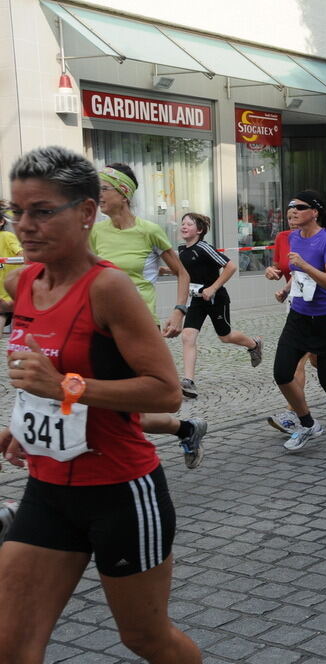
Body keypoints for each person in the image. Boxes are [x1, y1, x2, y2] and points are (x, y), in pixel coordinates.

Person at [0, 145, 200, 663]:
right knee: (11, 644)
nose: (25, 225)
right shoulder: (22, 281)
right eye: (16, 211)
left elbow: (165, 390)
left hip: (120, 493)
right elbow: (40, 372)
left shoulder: (108, 287)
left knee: (145, 639)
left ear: (87, 213)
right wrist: (26, 421)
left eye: (42, 211)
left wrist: (65, 388)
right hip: (47, 490)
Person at [89, 163, 206, 468]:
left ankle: (130, 467)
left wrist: (179, 311)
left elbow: (182, 273)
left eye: (104, 188)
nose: (98, 195)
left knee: (120, 405)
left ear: (124, 193)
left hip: (138, 327)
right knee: (103, 404)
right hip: (99, 326)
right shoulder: (95, 232)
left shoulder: (148, 232)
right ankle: (186, 429)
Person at [270, 191, 326, 453]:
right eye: (290, 207)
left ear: (315, 212)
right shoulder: (294, 238)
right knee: (282, 373)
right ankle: (308, 424)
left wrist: (305, 266)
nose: (293, 211)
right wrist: (286, 289)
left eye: (300, 207)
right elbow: (298, 274)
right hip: (299, 317)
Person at [176, 213, 262, 398]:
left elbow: (230, 267)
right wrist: (166, 269)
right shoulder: (182, 250)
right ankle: (188, 381)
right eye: (182, 223)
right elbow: (187, 272)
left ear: (199, 230)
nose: (184, 226)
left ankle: (254, 344)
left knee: (225, 336)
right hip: (197, 300)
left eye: (189, 224)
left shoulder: (205, 248)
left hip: (216, 299)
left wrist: (213, 288)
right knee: (188, 336)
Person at [0, 202, 23, 332]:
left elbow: (20, 254)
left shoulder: (6, 236)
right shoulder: (7, 236)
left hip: (8, 289)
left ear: (1, 222)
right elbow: (22, 255)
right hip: (7, 290)